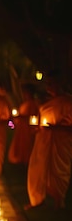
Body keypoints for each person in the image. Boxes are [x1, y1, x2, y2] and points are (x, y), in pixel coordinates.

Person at [26, 72, 72, 209]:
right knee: (38, 169)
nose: (49, 87)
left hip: (61, 143)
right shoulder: (46, 103)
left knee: (59, 171)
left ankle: (58, 199)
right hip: (43, 142)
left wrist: (55, 128)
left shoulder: (67, 102)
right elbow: (41, 123)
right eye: (47, 84)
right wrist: (37, 129)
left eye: (52, 84)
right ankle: (38, 199)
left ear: (61, 84)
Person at [8, 83, 39, 165]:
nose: (24, 95)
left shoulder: (33, 103)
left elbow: (33, 116)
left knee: (27, 144)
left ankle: (27, 160)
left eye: (26, 92)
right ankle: (21, 160)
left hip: (27, 128)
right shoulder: (24, 104)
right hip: (21, 128)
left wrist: (22, 117)